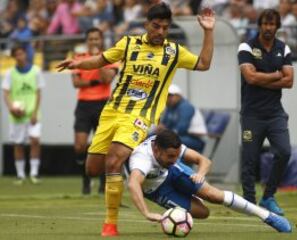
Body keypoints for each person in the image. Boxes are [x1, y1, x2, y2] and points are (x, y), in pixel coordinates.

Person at [57, 3, 215, 236]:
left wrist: (208, 31)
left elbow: (203, 64)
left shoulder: (174, 52)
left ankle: (110, 223)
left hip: (140, 116)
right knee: (92, 169)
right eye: (156, 26)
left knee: (113, 160)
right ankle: (139, 158)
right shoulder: (128, 43)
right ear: (146, 25)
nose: (161, 31)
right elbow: (101, 59)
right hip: (111, 112)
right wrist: (79, 63)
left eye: (165, 28)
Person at [126, 129, 292, 233]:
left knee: (213, 195)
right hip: (157, 190)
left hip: (174, 173)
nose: (175, 158)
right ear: (156, 149)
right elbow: (134, 184)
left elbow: (203, 160)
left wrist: (201, 174)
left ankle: (267, 216)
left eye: (177, 156)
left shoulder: (170, 148)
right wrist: (146, 213)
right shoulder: (141, 159)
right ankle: (193, 195)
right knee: (203, 213)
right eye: (170, 156)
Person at [237, 9, 294, 216]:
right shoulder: (247, 46)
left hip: (275, 114)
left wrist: (263, 78)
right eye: (265, 24)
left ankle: (268, 196)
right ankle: (249, 203)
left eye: (272, 24)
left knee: (284, 152)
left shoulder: (283, 48)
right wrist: (276, 75)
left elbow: (289, 81)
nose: (268, 28)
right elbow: (250, 78)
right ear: (259, 25)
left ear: (277, 26)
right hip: (252, 114)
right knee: (250, 160)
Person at [71, 27, 118, 195]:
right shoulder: (78, 58)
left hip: (103, 105)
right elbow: (76, 82)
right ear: (87, 41)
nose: (93, 42)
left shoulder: (110, 58)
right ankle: (86, 180)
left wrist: (98, 61)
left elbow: (107, 79)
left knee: (104, 145)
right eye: (90, 39)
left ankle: (102, 184)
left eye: (96, 39)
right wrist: (93, 83)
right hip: (83, 104)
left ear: (101, 40)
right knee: (80, 145)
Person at [1, 45, 45, 185]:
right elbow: (6, 93)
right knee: (18, 144)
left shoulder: (36, 71)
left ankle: (34, 173)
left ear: (25, 54)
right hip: (17, 116)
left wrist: (34, 112)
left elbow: (38, 93)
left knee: (35, 141)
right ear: (14, 57)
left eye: (22, 53)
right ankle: (20, 175)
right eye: (17, 54)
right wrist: (11, 108)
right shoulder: (10, 73)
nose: (20, 56)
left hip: (32, 115)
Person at [159, 84, 207, 154]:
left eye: (170, 96)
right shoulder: (170, 107)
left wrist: (164, 131)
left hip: (195, 140)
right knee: (152, 136)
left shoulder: (186, 107)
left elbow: (181, 129)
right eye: (166, 96)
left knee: (163, 140)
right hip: (180, 137)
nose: (168, 98)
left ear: (179, 96)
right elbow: (165, 125)